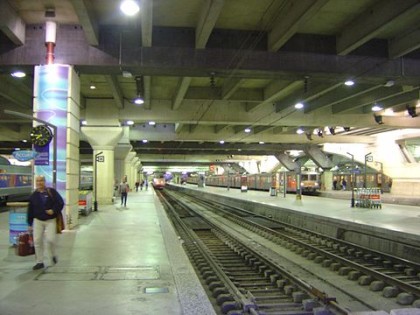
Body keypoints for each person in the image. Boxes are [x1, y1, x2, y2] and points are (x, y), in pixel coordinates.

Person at [27, 175, 64, 270]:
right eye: (37, 181)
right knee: (37, 241)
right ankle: (39, 262)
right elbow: (30, 210)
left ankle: (53, 255)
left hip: (50, 220)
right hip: (37, 220)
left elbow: (60, 203)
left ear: (45, 181)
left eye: (41, 181)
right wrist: (29, 223)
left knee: (50, 240)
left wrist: (53, 210)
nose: (39, 183)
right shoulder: (33, 196)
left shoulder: (51, 192)